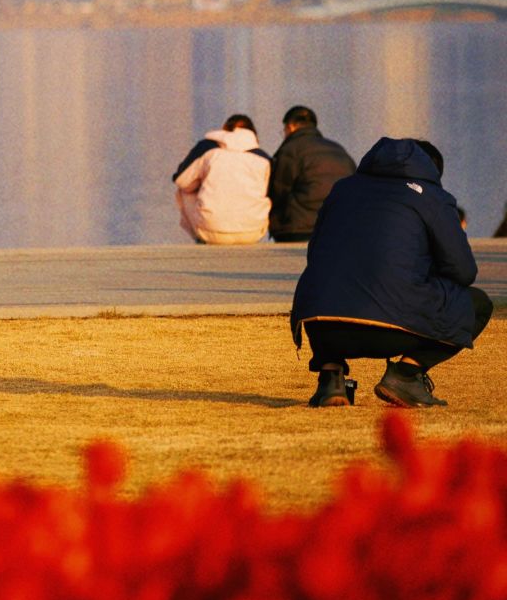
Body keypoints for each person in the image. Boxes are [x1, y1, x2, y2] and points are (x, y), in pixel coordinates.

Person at [291, 137, 492, 408]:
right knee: (478, 304)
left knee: (325, 283)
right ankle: (406, 375)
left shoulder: (342, 189)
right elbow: (464, 271)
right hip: (393, 330)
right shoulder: (432, 197)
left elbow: (316, 255)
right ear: (432, 171)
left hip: (324, 324)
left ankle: (331, 378)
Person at [172, 114, 271, 245]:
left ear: (224, 129)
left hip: (210, 231)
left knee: (184, 190)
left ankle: (200, 237)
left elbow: (181, 181)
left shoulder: (208, 148)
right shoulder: (263, 158)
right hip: (253, 232)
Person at [268, 104, 355, 243]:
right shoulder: (338, 149)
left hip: (300, 229)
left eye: (284, 130)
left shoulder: (290, 150)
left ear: (290, 126)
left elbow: (278, 192)